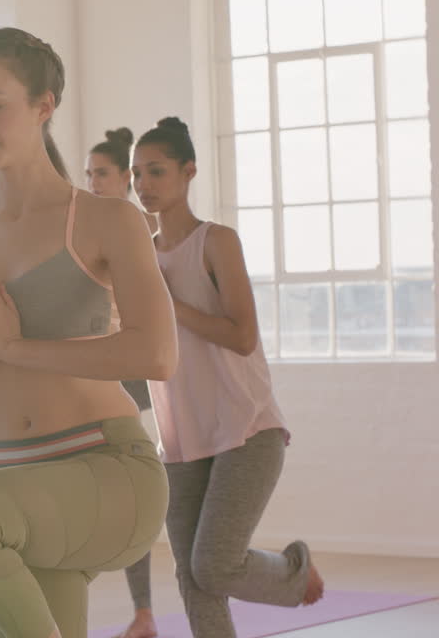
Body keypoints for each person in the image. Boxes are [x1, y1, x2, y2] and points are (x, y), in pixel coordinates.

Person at [0, 27, 176, 638]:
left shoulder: (105, 219)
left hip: (108, 469)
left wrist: (16, 348)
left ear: (44, 106)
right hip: (19, 481)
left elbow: (157, 353)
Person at [132, 117, 324, 638]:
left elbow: (243, 336)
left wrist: (171, 307)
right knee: (193, 580)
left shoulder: (216, 241)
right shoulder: (139, 256)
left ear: (188, 171)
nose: (144, 185)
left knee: (213, 564)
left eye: (156, 171)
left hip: (246, 427)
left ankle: (293, 572)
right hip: (181, 435)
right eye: (136, 175)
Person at [84, 126, 160, 638]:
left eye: (102, 174)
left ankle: (144, 611)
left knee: (136, 492)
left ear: (126, 179)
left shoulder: (138, 228)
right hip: (95, 368)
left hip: (131, 374)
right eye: (88, 174)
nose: (92, 182)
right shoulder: (82, 226)